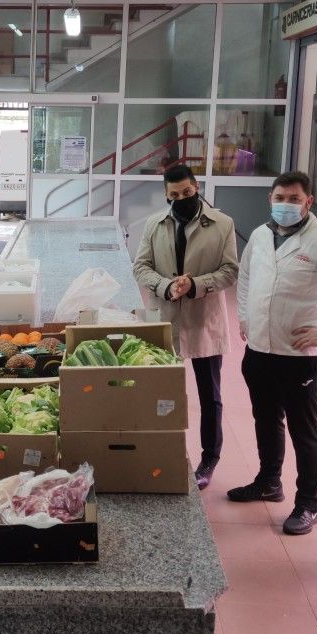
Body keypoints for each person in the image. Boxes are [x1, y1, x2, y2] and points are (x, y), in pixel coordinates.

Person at [232, 171, 317, 535]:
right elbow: (245, 277)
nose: (286, 205)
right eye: (281, 197)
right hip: (260, 349)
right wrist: (245, 316)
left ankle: (308, 503)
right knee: (265, 418)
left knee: (303, 429)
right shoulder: (262, 236)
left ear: (309, 202)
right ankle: (268, 481)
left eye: (295, 199)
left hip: (301, 357)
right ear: (270, 198)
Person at [133, 164, 238, 490]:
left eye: (188, 193)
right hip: (166, 317)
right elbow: (141, 266)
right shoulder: (154, 224)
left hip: (204, 319)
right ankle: (165, 450)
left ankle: (209, 459)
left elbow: (230, 270)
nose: (182, 199)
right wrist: (165, 286)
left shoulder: (222, 224)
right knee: (163, 392)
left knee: (210, 395)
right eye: (175, 195)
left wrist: (196, 284)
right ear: (167, 194)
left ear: (197, 188)